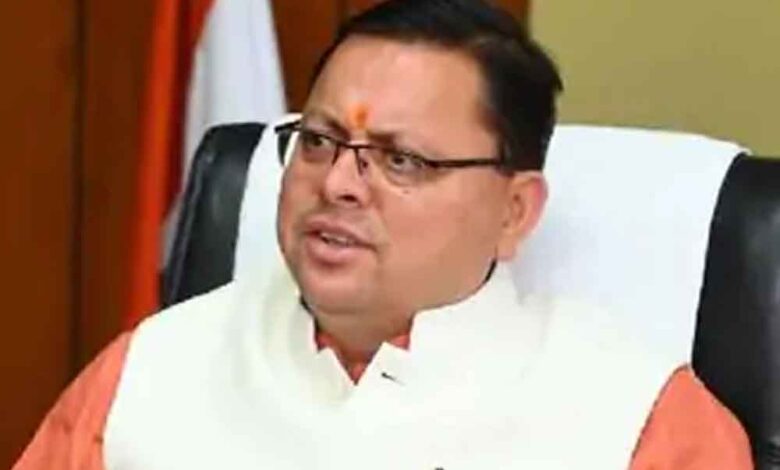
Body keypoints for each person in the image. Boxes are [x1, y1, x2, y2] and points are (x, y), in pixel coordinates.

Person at [15, 0, 752, 468]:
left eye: (401, 161)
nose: (338, 182)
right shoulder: (146, 374)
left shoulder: (639, 422)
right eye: (318, 141)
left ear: (514, 212)